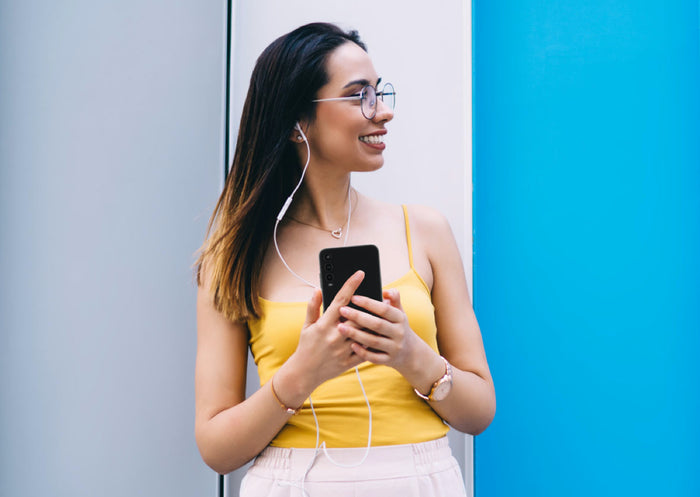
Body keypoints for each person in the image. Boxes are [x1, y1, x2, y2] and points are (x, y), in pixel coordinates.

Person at [194, 22, 495, 497]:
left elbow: (479, 412)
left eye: (380, 92)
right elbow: (216, 448)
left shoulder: (426, 231)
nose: (384, 112)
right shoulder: (234, 257)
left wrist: (412, 356)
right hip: (294, 482)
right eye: (360, 96)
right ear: (298, 121)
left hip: (420, 478)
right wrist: (302, 373)